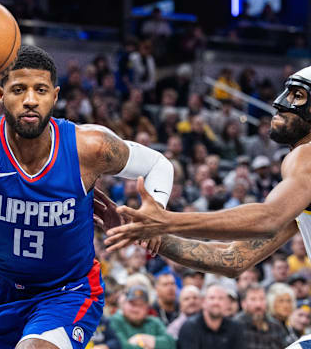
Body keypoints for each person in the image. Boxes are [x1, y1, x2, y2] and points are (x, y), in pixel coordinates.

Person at [0, 45, 174, 349]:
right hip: (1, 291)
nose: (30, 100)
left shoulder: (88, 147)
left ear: (55, 96)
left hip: (68, 290)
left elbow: (157, 164)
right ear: (1, 95)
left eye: (40, 90)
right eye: (19, 89)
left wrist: (156, 209)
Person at [103, 64, 311, 348]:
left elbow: (268, 217)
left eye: (298, 95)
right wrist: (148, 233)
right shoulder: (300, 193)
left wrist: (165, 220)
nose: (280, 102)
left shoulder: (306, 156)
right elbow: (232, 259)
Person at [177, 284, 244, 349]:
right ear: (203, 302)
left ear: (227, 304)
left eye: (221, 298)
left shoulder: (235, 328)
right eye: (212, 298)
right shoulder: (190, 327)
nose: (216, 302)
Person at [109, 285, 176, 349]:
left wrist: (143, 338)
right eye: (132, 304)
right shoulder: (115, 321)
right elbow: (121, 346)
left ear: (147, 308)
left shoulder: (154, 322)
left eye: (141, 305)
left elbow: (172, 344)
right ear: (124, 304)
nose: (135, 309)